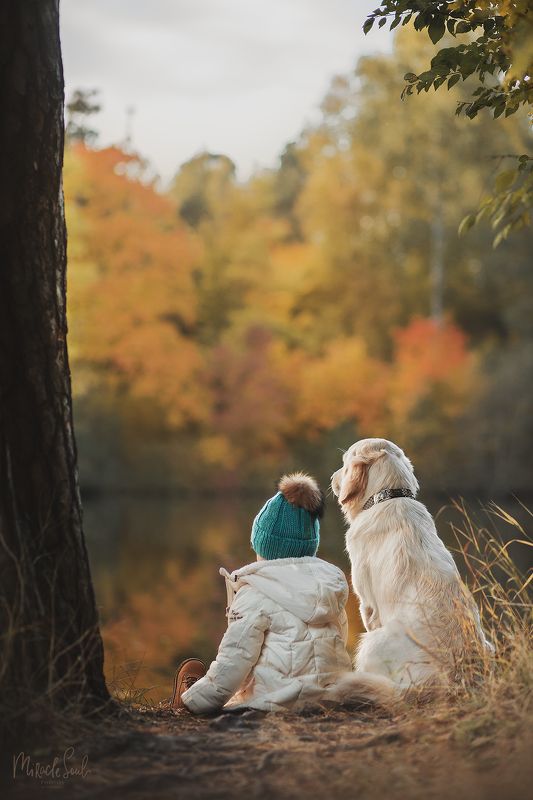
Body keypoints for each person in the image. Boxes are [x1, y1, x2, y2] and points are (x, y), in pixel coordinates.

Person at [171, 472, 352, 714]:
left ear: (262, 545)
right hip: (332, 698)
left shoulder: (256, 592)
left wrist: (195, 702)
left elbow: (234, 660)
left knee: (213, 685)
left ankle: (186, 696)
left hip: (277, 701)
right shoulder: (330, 587)